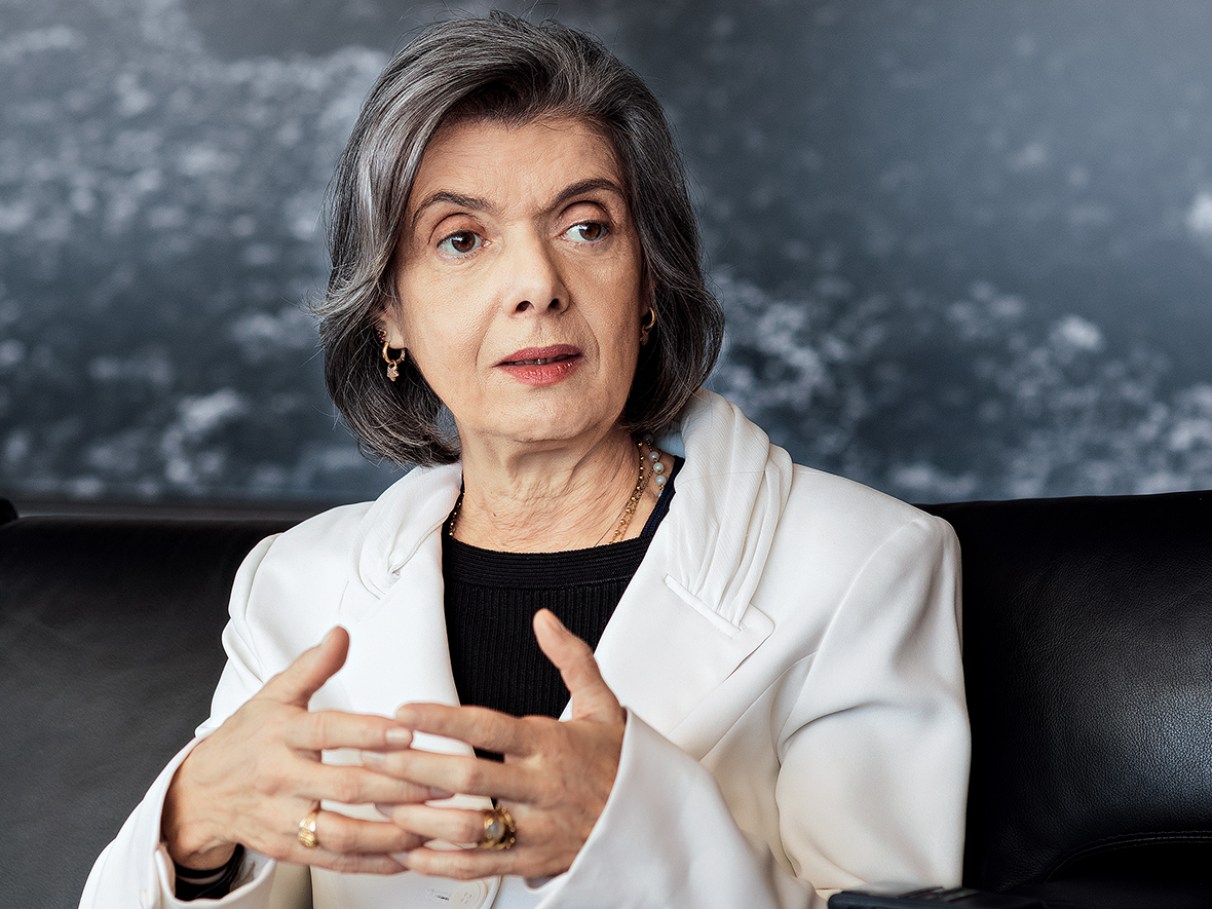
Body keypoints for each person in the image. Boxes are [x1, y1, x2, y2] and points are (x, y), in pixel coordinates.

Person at [81, 12, 969, 909]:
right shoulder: (296, 584)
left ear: (648, 280)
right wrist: (191, 826)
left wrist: (635, 830)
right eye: (461, 240)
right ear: (388, 311)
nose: (538, 285)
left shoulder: (865, 563)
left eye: (586, 227)